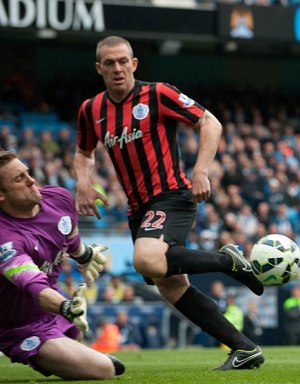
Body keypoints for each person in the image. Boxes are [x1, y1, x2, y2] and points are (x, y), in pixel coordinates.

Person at [74, 36, 264, 370]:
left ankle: (227, 262)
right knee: (170, 285)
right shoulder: (92, 110)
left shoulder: (158, 93)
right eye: (109, 63)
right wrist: (83, 183)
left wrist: (201, 171)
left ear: (134, 64)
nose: (117, 68)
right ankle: (244, 349)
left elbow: (210, 122)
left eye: (123, 61)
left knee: (146, 260)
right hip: (138, 208)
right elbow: (83, 152)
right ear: (98, 68)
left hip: (172, 194)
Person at [0, 150, 124, 380]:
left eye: (27, 172)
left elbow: (68, 235)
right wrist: (66, 307)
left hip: (48, 309)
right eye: (19, 179)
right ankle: (33, 351)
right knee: (104, 370)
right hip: (15, 324)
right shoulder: (5, 238)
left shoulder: (59, 198)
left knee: (85, 345)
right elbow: (33, 284)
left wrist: (83, 254)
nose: (31, 180)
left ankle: (46, 358)